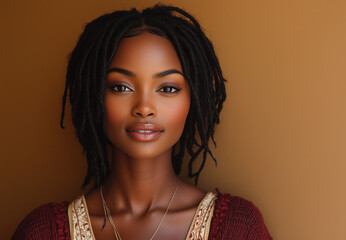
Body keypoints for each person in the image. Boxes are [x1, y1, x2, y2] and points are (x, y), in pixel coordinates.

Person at [12, 5, 272, 240]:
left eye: (168, 88)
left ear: (193, 99)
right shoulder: (41, 232)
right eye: (121, 87)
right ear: (94, 96)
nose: (144, 108)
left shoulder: (238, 228)